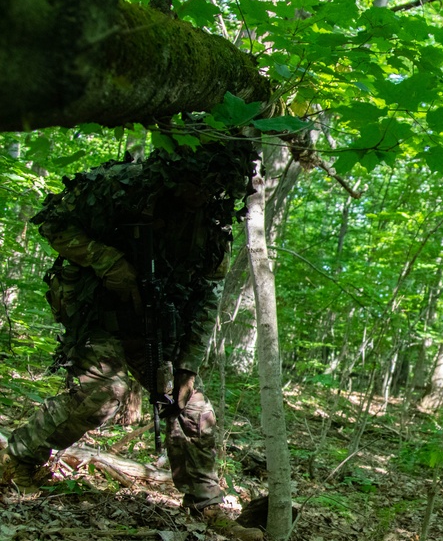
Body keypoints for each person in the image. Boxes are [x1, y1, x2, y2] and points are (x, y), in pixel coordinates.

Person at [0, 136, 257, 519]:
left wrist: (188, 364)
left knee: (191, 408)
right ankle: (17, 458)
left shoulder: (212, 225)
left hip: (159, 323)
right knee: (100, 395)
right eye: (193, 185)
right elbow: (53, 223)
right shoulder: (120, 186)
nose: (199, 195)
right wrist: (107, 261)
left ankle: (205, 503)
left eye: (210, 189)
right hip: (102, 310)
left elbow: (206, 295)